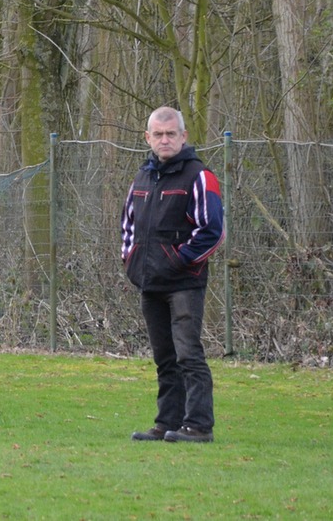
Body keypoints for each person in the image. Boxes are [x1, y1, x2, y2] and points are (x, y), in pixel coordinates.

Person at [121, 107, 225, 443]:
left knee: (188, 355)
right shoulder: (143, 177)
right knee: (164, 357)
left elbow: (213, 231)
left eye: (171, 134)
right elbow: (127, 225)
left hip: (184, 283)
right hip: (150, 282)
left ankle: (198, 426)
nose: (165, 140)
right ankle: (167, 423)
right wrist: (131, 260)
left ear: (183, 136)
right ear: (148, 138)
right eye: (158, 134)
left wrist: (178, 261)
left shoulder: (199, 176)